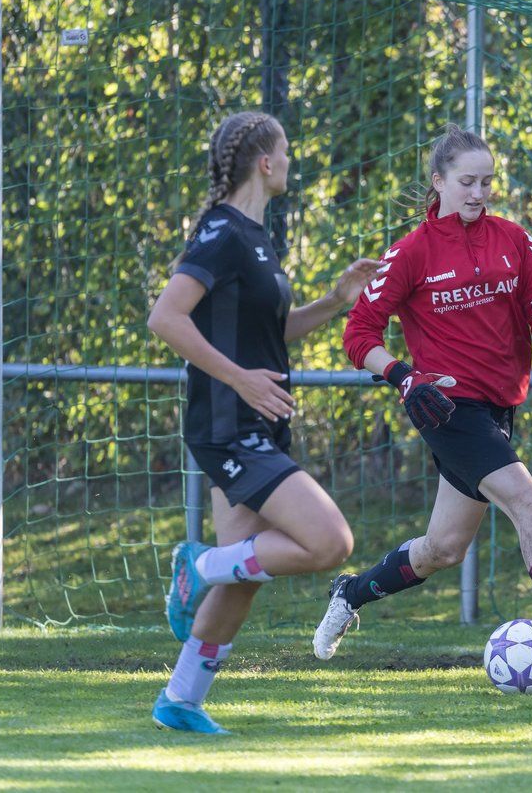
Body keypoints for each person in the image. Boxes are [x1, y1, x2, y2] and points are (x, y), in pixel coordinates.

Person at [313, 124, 532, 686]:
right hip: (447, 409)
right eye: (467, 181)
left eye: (487, 182)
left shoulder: (514, 240)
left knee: (442, 549)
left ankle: (350, 592)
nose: (478, 192)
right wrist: (401, 375)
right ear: (439, 182)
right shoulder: (411, 253)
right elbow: (359, 333)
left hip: (498, 410)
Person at [147, 111, 381, 733]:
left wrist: (334, 301)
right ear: (266, 163)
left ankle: (181, 700)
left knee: (246, 570)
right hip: (230, 424)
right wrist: (238, 378)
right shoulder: (221, 233)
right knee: (330, 542)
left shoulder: (253, 237)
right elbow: (166, 318)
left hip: (256, 421)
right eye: (287, 151)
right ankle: (194, 567)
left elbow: (269, 333)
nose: (292, 162)